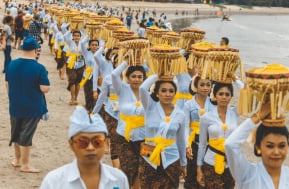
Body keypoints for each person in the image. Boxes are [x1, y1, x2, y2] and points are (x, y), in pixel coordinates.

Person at [40, 106, 129, 189]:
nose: (90, 148)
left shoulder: (118, 179)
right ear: (71, 145)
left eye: (97, 142)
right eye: (83, 143)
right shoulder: (54, 182)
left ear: (105, 143)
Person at [225, 105, 289, 189]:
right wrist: (256, 118)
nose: (276, 152)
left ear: (288, 146)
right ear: (258, 147)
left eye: (281, 146)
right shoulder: (247, 174)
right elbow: (230, 144)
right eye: (270, 146)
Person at [6, 36, 50, 173]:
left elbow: (7, 84)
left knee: (16, 132)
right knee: (26, 135)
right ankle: (25, 165)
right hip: (32, 106)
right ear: (36, 49)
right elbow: (45, 88)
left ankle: (17, 160)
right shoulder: (39, 67)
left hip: (15, 104)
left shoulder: (11, 64)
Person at [139, 74, 187, 188]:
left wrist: (183, 163)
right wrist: (157, 75)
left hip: (171, 158)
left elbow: (181, 141)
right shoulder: (150, 107)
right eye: (163, 90)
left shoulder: (180, 114)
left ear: (175, 94)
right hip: (149, 156)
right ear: (157, 93)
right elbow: (142, 88)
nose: (167, 94)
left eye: (171, 91)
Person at [197, 81, 243, 188]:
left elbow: (247, 94)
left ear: (231, 97)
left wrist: (235, 79)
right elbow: (202, 144)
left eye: (227, 94)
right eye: (221, 94)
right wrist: (199, 169)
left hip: (230, 164)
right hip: (210, 163)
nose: (224, 97)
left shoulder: (235, 113)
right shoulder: (206, 118)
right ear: (215, 95)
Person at [111, 58, 147, 188]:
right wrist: (126, 61)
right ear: (128, 77)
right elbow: (114, 74)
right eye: (133, 76)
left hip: (144, 136)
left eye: (140, 77)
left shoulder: (148, 93)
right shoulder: (122, 90)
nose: (137, 79)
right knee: (126, 166)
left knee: (140, 168)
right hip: (124, 135)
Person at [184, 76, 216, 189]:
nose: (205, 88)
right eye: (202, 85)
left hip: (210, 144)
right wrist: (187, 146)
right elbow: (185, 127)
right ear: (196, 86)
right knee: (191, 176)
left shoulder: (214, 104)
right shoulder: (189, 104)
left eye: (208, 85)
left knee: (208, 176)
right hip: (193, 144)